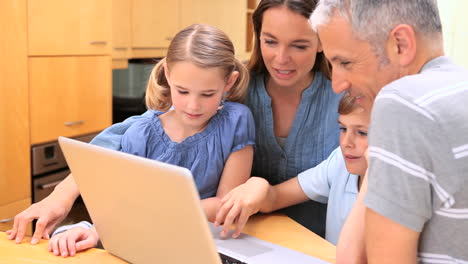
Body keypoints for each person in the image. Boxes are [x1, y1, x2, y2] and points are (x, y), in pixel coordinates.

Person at [8, 0, 341, 244]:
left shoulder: (342, 98)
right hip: (232, 237)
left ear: (322, 42)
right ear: (257, 37)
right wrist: (61, 197)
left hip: (313, 240)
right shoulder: (231, 86)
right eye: (270, 41)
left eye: (299, 45)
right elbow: (119, 138)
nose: (281, 58)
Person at [11, 24, 256, 254]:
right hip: (143, 242)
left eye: (207, 93)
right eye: (182, 91)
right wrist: (94, 230)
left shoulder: (237, 121)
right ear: (168, 75)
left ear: (229, 82)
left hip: (204, 244)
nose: (193, 105)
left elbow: (227, 204)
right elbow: (118, 205)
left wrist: (154, 213)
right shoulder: (141, 133)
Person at [311, 0, 468, 262]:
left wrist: (376, 162)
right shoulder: (457, 89)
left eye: (346, 63)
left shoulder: (402, 103)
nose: (337, 84)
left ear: (401, 45)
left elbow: (353, 258)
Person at [214, 93, 369, 246]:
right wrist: (257, 185)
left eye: (362, 133)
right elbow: (275, 198)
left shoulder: (390, 192)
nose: (346, 142)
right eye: (343, 128)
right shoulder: (339, 162)